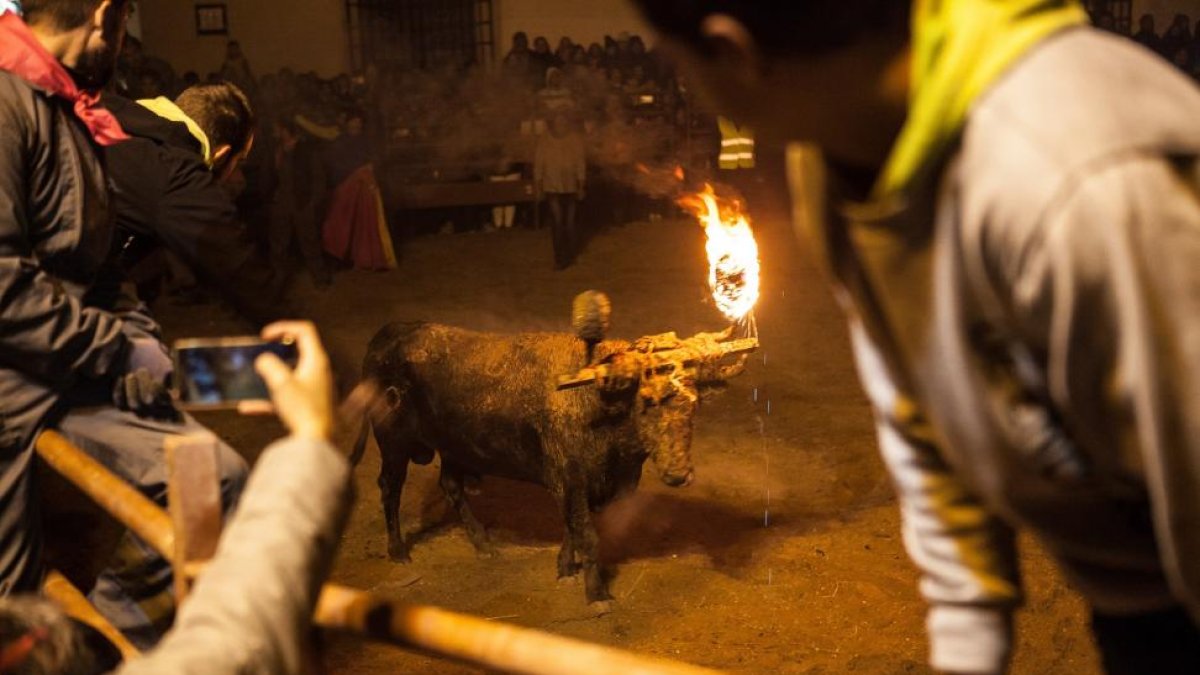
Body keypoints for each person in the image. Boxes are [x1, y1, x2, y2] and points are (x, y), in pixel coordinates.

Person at [631, 0, 1200, 674]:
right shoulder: (834, 163)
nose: (684, 86)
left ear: (735, 51)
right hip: (1132, 598)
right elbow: (924, 403)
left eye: (678, 61)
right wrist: (968, 644)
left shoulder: (1082, 187)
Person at [0, 0, 248, 650]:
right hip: (18, 377)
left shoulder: (75, 110)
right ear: (107, 17)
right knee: (16, 608)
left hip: (61, 363)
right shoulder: (11, 103)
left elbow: (98, 263)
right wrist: (117, 349)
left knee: (214, 475)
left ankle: (111, 644)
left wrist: (139, 337)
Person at [0, 321, 353, 674]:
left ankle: (123, 625)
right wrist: (312, 436)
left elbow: (113, 286)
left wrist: (136, 339)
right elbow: (234, 643)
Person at [321, 109, 398, 271]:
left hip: (364, 191)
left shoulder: (366, 141)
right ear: (347, 123)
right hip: (345, 188)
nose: (356, 126)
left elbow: (375, 160)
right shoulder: (339, 142)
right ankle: (338, 257)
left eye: (358, 123)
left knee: (366, 223)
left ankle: (366, 257)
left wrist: (369, 169)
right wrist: (355, 174)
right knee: (340, 223)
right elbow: (335, 166)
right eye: (353, 122)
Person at [267, 116, 332, 290]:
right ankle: (278, 279)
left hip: (301, 202)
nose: (274, 132)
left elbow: (319, 178)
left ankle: (320, 277)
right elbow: (271, 176)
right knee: (279, 243)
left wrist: (313, 202)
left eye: (277, 129)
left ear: (285, 130)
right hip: (282, 203)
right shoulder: (278, 150)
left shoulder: (306, 151)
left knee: (309, 241)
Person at [535, 112, 586, 269]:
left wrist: (581, 186)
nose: (560, 125)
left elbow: (580, 164)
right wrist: (538, 187)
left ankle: (570, 255)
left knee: (569, 224)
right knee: (557, 222)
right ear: (553, 124)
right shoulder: (544, 141)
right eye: (558, 122)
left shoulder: (575, 139)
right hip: (552, 187)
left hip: (570, 187)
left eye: (563, 122)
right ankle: (560, 258)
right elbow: (538, 164)